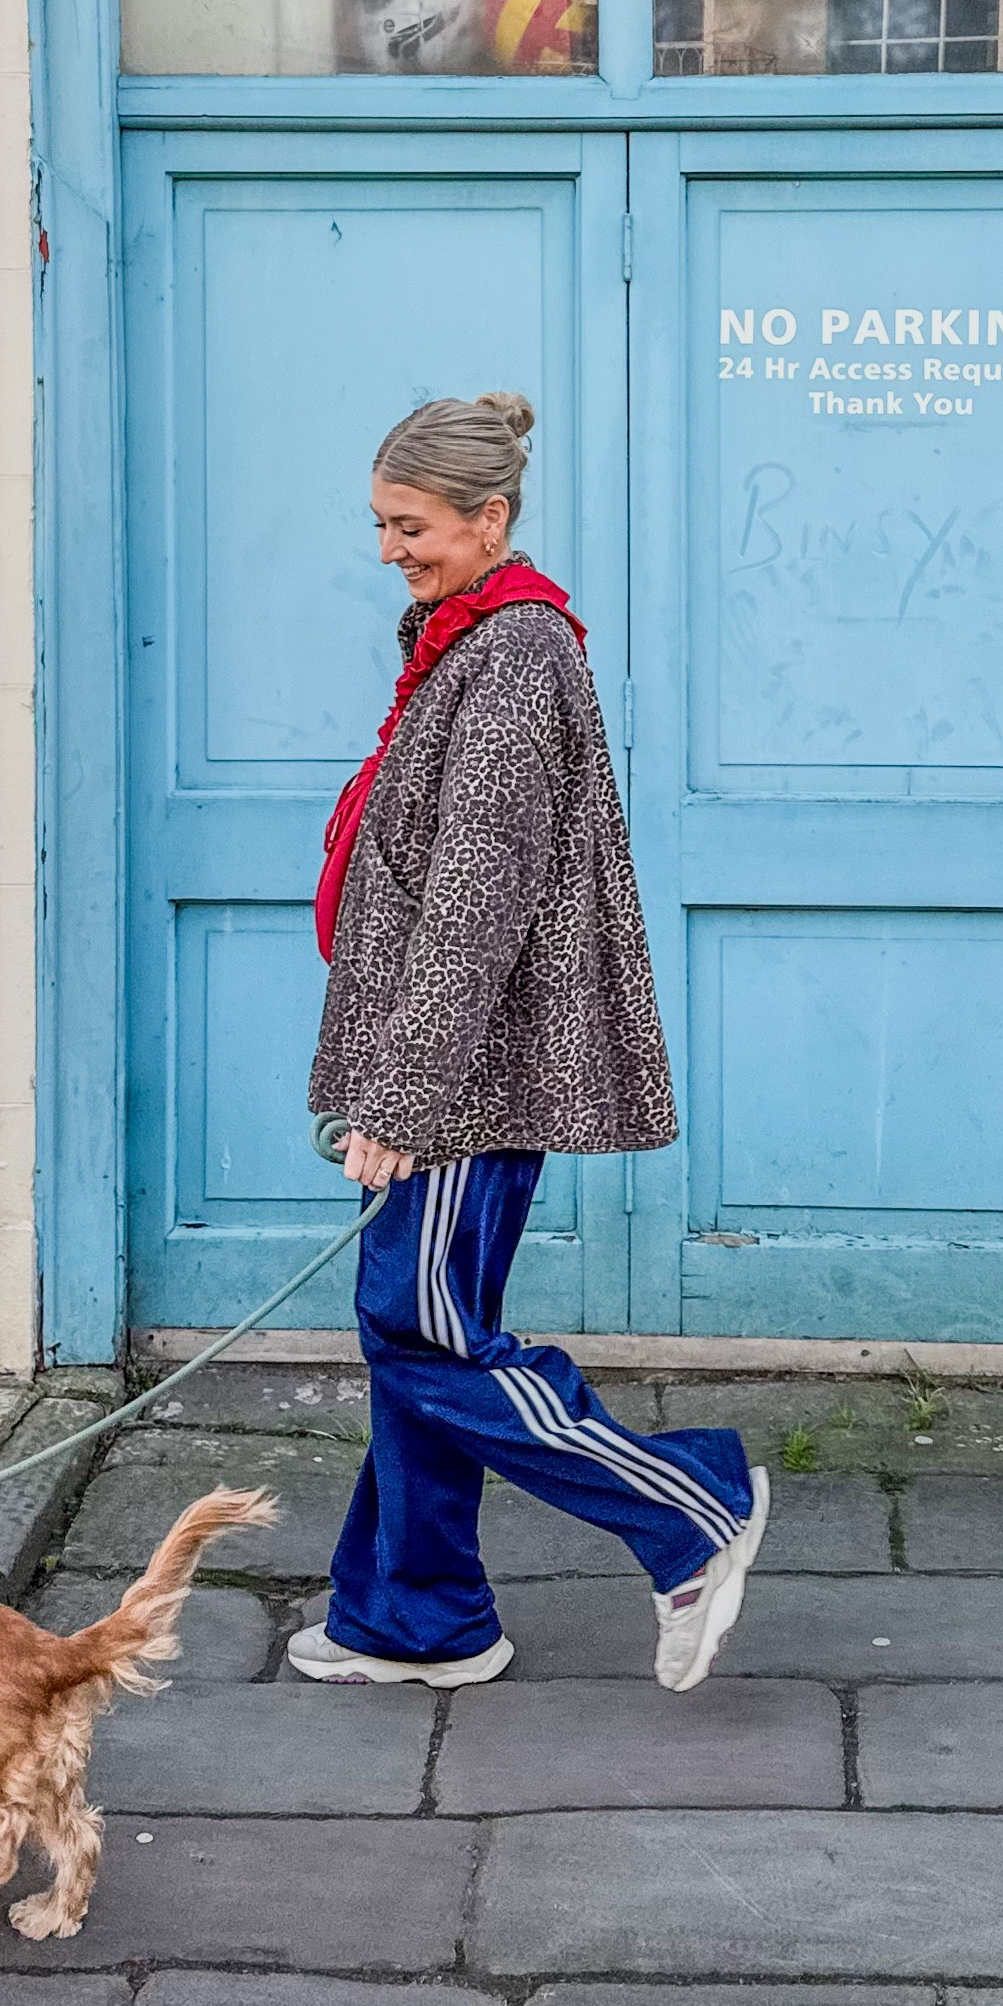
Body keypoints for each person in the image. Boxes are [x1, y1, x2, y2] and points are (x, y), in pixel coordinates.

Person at [289, 387, 767, 1695]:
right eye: (382, 523)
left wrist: (404, 1095)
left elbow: (477, 901)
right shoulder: (469, 642)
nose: (391, 546)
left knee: (423, 1329)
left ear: (490, 517)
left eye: (413, 524)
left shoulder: (509, 658)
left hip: (463, 1085)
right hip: (452, 1077)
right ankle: (413, 1614)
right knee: (419, 1329)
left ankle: (689, 1508)